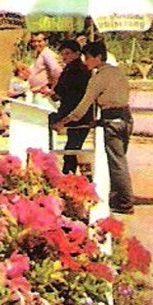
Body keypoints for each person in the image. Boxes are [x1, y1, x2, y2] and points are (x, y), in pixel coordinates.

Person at [54, 39, 134, 213]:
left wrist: (63, 122)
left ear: (98, 57)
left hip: (112, 120)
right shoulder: (118, 72)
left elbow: (82, 107)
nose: (86, 61)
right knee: (120, 160)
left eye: (88, 57)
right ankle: (118, 196)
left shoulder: (98, 78)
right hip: (126, 118)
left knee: (116, 163)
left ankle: (125, 202)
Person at [47, 38, 91, 175]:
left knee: (72, 149)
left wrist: (49, 92)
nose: (64, 57)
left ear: (77, 53)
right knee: (72, 147)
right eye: (63, 54)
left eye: (67, 53)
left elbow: (60, 93)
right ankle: (70, 175)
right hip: (81, 112)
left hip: (72, 113)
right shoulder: (84, 69)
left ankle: (68, 176)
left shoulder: (72, 70)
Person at [26, 33, 62, 103]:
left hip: (43, 95)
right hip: (36, 93)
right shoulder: (40, 54)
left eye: (39, 41)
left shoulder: (47, 54)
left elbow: (57, 71)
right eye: (34, 41)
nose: (36, 44)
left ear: (46, 42)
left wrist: (51, 88)